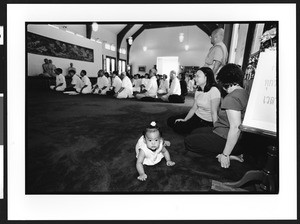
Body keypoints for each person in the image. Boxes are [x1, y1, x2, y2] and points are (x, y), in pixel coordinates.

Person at [184, 64, 248, 168]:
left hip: (227, 137)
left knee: (189, 142)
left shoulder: (231, 97)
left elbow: (235, 127)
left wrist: (225, 154)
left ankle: (230, 154)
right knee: (195, 132)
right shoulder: (243, 92)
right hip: (224, 131)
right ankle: (231, 151)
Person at [167, 67, 220, 135]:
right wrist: (185, 119)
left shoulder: (214, 90)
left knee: (178, 127)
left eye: (198, 76)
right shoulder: (198, 90)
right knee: (171, 120)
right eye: (195, 76)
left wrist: (216, 131)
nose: (195, 78)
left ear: (206, 77)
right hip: (196, 116)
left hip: (206, 121)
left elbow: (214, 112)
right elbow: (194, 108)